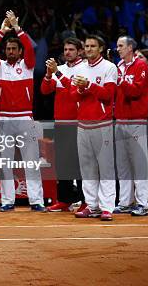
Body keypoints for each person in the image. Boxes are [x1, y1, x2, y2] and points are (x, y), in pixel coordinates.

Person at [0, 10, 45, 212]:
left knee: (31, 162)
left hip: (25, 119)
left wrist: (17, 29)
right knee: (5, 163)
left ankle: (36, 201)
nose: (10, 51)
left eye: (13, 49)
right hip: (5, 120)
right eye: (8, 48)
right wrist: (1, 32)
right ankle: (7, 201)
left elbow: (29, 47)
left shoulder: (28, 65)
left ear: (19, 51)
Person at [71, 35, 117, 221]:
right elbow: (73, 95)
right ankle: (92, 205)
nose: (88, 49)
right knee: (87, 167)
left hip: (102, 123)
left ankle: (107, 208)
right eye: (86, 45)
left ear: (100, 48)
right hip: (83, 124)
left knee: (105, 167)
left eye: (92, 46)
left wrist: (89, 85)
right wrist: (81, 89)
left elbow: (108, 95)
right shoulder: (80, 68)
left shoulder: (109, 67)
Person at [41, 38, 87, 213]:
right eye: (65, 49)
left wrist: (57, 74)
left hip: (78, 122)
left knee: (80, 165)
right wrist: (47, 74)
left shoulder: (84, 69)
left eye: (71, 49)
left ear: (79, 51)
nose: (67, 52)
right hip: (60, 122)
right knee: (63, 164)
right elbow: (45, 91)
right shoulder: (59, 69)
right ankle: (64, 200)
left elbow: (74, 91)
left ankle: (85, 201)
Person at [114, 36, 148, 216]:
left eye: (120, 46)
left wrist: (120, 80)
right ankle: (125, 202)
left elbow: (136, 90)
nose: (117, 48)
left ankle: (142, 203)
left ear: (130, 48)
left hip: (136, 119)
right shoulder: (118, 66)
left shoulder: (141, 65)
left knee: (139, 163)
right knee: (123, 164)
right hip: (120, 119)